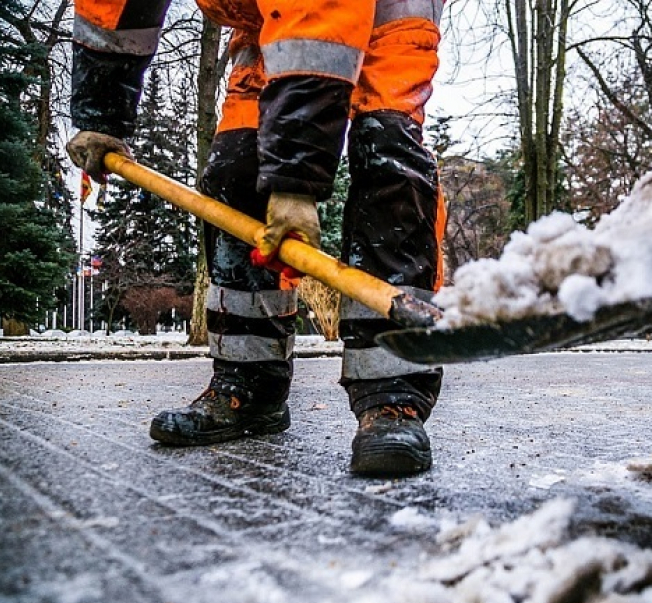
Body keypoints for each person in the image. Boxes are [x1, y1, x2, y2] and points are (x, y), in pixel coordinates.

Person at [66, 0, 447, 477]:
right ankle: (248, 384)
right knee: (237, 168)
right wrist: (102, 113)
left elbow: (319, 18)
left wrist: (294, 182)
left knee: (389, 157)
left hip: (384, 15)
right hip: (268, 22)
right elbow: (111, 9)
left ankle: (392, 396)